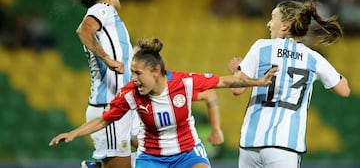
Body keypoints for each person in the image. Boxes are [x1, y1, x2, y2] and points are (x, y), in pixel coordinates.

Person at [49, 37, 278, 168]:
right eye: (132, 73)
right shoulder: (131, 93)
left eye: (138, 73)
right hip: (151, 158)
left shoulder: (184, 83)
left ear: (156, 71)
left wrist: (259, 82)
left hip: (188, 152)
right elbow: (104, 120)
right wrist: (73, 133)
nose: (134, 78)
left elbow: (225, 82)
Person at [228, 0, 351, 168]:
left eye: (272, 18)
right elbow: (344, 91)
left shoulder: (261, 47)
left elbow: (237, 90)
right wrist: (338, 76)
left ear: (285, 26)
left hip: (251, 143)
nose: (268, 24)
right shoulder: (313, 57)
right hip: (285, 146)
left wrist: (236, 71)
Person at [67, 0, 140, 168]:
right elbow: (84, 30)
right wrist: (107, 59)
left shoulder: (112, 22)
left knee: (156, 154)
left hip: (125, 104)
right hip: (109, 107)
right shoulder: (102, 9)